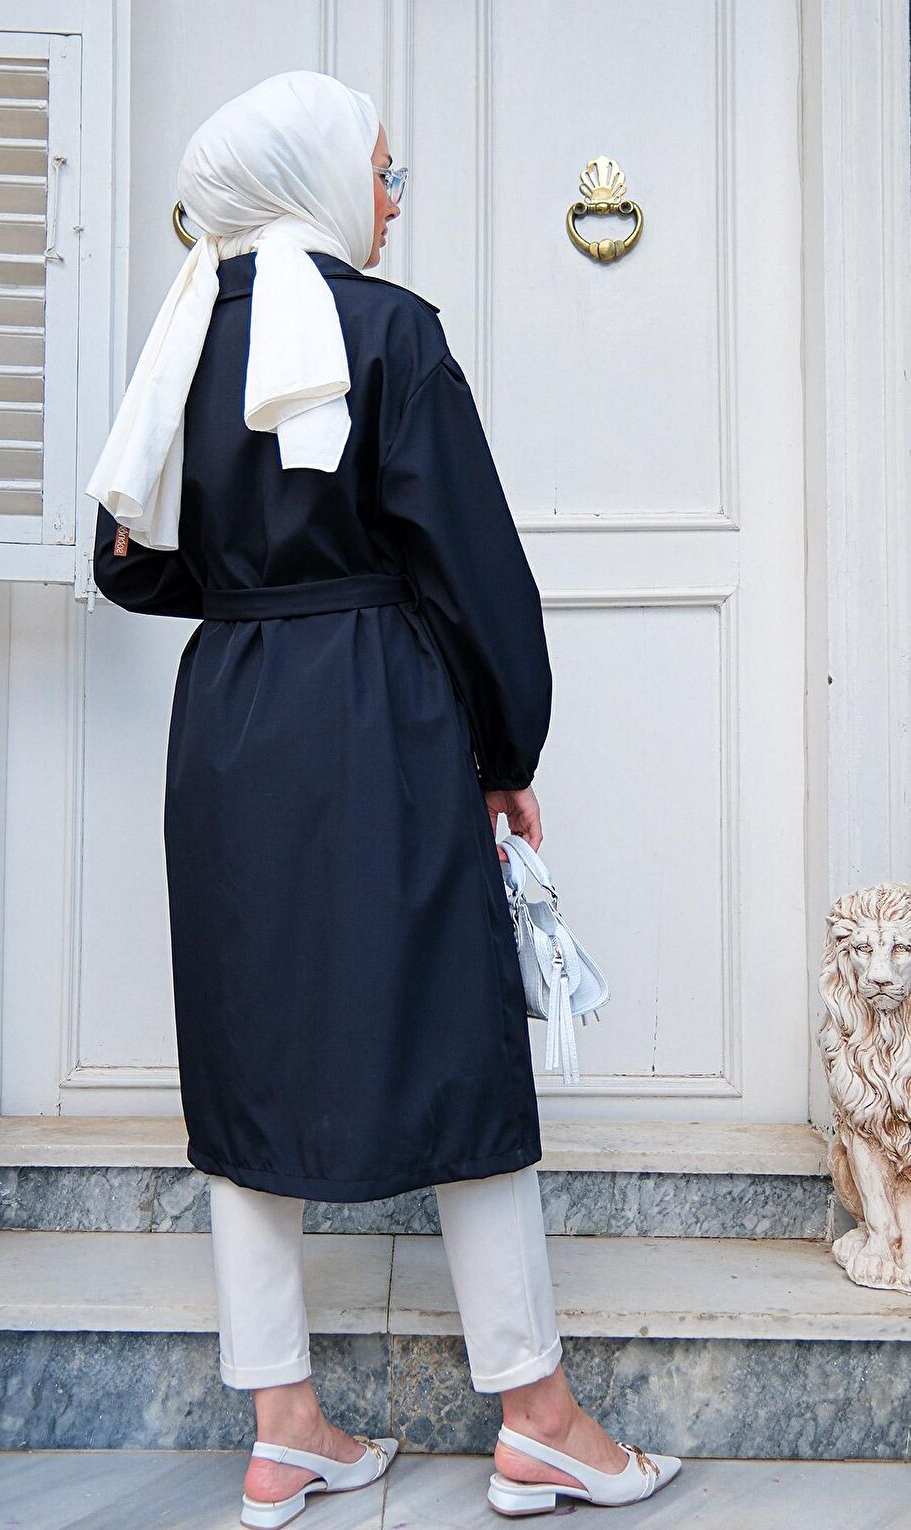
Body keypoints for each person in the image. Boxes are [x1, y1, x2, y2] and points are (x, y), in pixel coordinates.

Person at [87, 69, 681, 1525]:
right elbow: (474, 567)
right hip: (378, 717)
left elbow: (124, 561)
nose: (396, 200)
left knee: (248, 1056)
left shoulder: (182, 336)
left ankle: (283, 1424)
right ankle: (537, 1416)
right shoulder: (390, 331)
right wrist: (508, 749)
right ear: (313, 174)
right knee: (456, 1044)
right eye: (384, 170)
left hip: (232, 729)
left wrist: (253, 593)